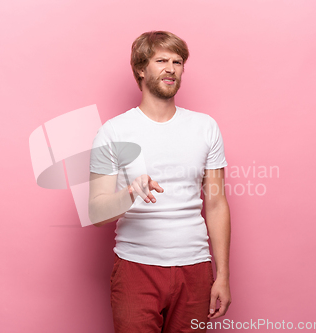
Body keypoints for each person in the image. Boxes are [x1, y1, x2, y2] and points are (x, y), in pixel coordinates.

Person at [88, 30, 231, 333]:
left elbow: (216, 203)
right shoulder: (113, 132)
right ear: (141, 69)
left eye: (177, 62)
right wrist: (129, 193)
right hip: (135, 268)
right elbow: (97, 213)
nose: (171, 68)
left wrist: (223, 276)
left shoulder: (205, 127)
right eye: (161, 60)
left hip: (195, 267)